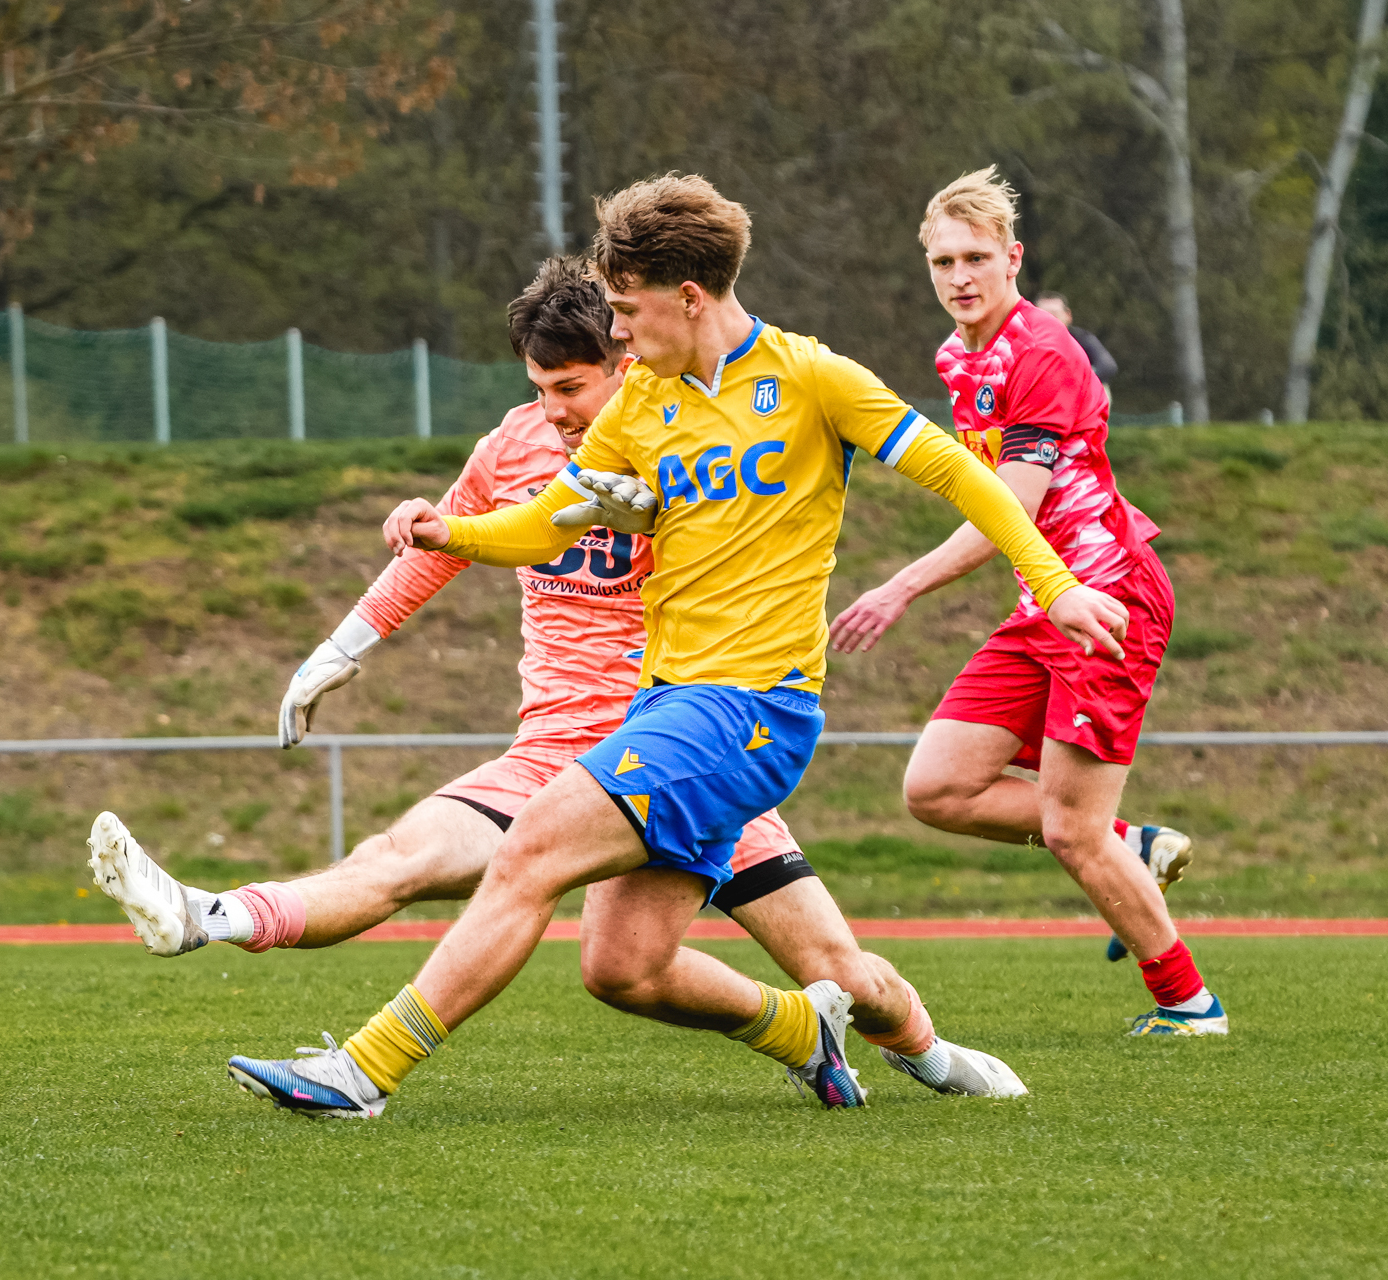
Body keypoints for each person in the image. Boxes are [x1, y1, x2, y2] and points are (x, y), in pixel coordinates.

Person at [196, 173, 1130, 1119]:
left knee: (531, 852)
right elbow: (548, 523)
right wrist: (453, 534)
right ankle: (920, 1052)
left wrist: (1055, 586)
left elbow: (964, 477)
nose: (618, 330)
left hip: (754, 709)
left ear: (688, 297)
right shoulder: (643, 400)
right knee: (624, 968)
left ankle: (361, 1074)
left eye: (627, 308)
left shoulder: (814, 378)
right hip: (668, 705)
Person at [830, 167, 1223, 1035]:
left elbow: (1010, 506)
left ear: (1013, 259)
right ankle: (1134, 845)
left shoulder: (1042, 352)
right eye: (943, 261)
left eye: (976, 257)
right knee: (938, 787)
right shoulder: (959, 356)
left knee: (1073, 829)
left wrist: (900, 585)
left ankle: (1189, 1003)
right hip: (1045, 603)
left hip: (1106, 598)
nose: (959, 276)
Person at [1034, 293, 1118, 393]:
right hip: (1040, 393)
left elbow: (1107, 365)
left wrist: (1074, 381)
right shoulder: (1025, 340)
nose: (1050, 319)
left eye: (1055, 314)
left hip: (1077, 392)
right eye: (1044, 315)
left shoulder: (1082, 339)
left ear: (1068, 315)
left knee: (1101, 387)